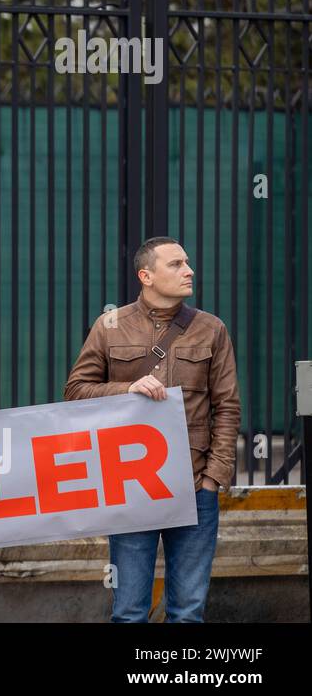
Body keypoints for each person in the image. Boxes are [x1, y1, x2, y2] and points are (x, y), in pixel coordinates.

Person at [64, 236, 240, 622]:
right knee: (128, 613)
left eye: (187, 262)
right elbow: (76, 392)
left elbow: (227, 407)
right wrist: (127, 388)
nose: (189, 270)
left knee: (189, 613)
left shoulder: (211, 329)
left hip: (195, 487)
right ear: (146, 275)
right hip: (130, 488)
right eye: (176, 264)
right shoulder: (110, 326)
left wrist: (214, 477)